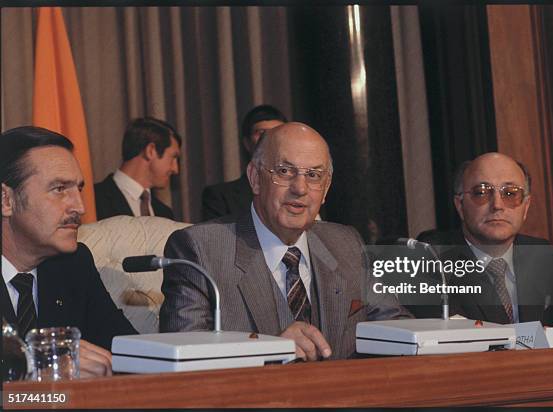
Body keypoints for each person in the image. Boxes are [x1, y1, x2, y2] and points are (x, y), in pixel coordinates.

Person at [161, 122, 410, 360]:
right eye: (284, 171)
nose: (300, 188)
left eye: (314, 175)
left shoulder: (346, 243)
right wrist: (268, 349)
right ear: (255, 178)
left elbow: (397, 330)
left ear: (325, 189)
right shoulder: (200, 249)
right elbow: (184, 350)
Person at [1, 126, 137, 378]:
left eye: (79, 189)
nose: (80, 207)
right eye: (60, 189)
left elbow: (127, 352)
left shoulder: (73, 264)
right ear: (6, 200)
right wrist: (38, 367)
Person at [418, 152, 553, 326]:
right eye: (481, 192)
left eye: (510, 193)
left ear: (526, 207)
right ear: (460, 206)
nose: (497, 205)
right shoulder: (431, 260)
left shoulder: (543, 256)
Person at [200, 105, 286, 221]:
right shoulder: (221, 197)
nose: (270, 139)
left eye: (277, 132)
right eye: (261, 132)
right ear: (246, 143)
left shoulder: (303, 190)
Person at [95, 117, 181, 220]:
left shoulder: (165, 214)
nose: (176, 169)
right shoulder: (94, 200)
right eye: (173, 157)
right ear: (151, 151)